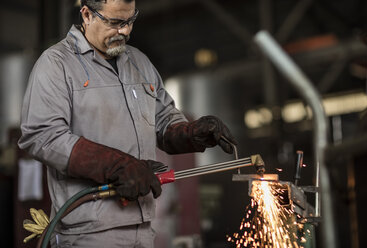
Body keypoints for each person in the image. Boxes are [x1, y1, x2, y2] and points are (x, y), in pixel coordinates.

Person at [18, 0, 237, 247]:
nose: (125, 31)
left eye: (130, 21)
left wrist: (191, 132)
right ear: (87, 14)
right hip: (88, 233)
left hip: (143, 226)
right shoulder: (57, 64)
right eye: (115, 22)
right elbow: (43, 136)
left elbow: (164, 119)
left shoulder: (139, 63)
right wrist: (117, 166)